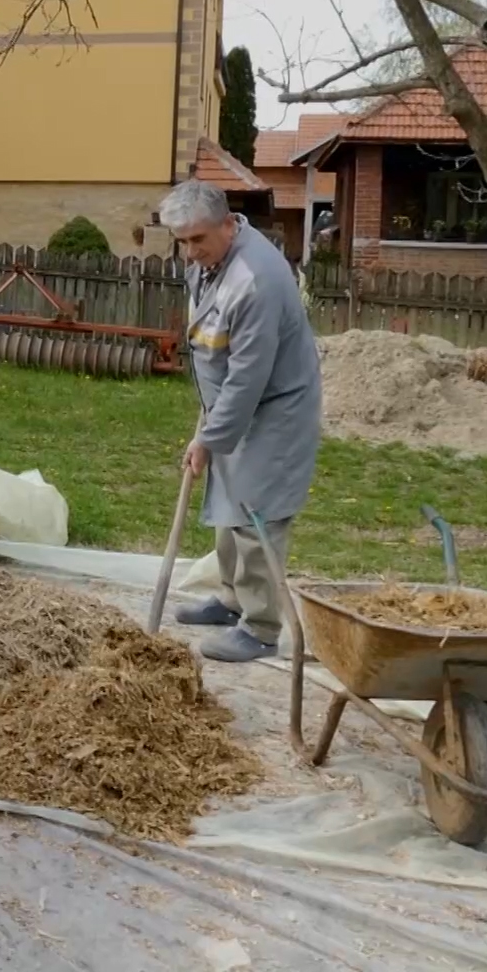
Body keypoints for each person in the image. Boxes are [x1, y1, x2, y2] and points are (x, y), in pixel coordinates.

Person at [158, 180, 323, 663]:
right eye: (182, 241)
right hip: (232, 401)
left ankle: (261, 627)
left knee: (257, 513)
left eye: (198, 240)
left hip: (275, 407)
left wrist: (210, 440)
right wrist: (212, 426)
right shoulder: (211, 260)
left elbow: (250, 377)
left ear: (229, 225)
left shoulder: (257, 279)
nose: (189, 252)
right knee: (228, 502)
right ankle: (232, 601)